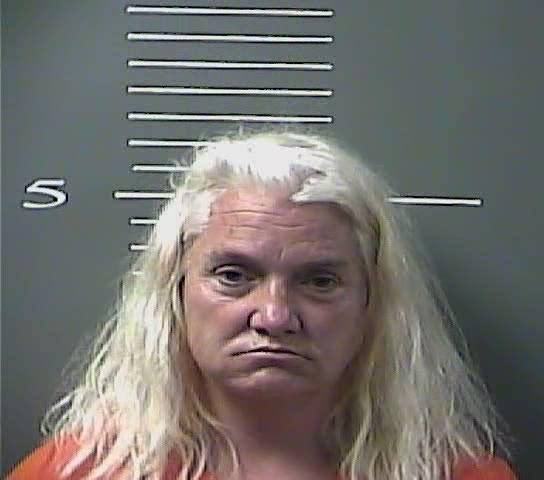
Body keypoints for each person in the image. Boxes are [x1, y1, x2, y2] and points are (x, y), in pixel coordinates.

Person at [8, 131, 516, 480]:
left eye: (319, 281)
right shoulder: (75, 473)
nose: (274, 316)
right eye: (234, 276)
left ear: (372, 304)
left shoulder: (460, 477)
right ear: (174, 291)